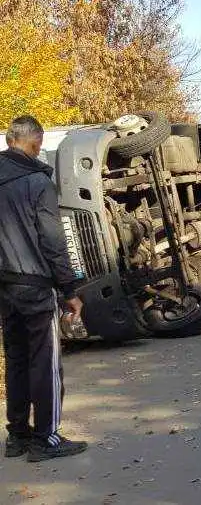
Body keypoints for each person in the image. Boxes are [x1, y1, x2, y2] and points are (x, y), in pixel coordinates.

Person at [0, 116, 87, 461]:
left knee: (17, 359)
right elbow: (53, 243)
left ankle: (17, 437)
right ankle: (46, 438)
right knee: (44, 362)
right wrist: (70, 289)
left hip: (4, 287)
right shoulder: (38, 182)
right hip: (34, 285)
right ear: (36, 144)